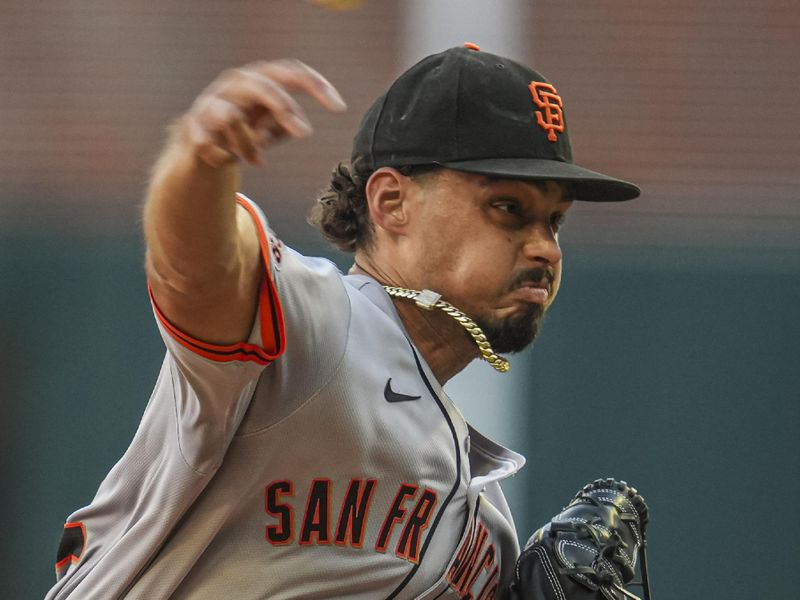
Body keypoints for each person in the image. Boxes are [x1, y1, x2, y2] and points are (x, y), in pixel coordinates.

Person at [46, 44, 640, 599]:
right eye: (509, 208)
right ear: (390, 202)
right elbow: (198, 269)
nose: (545, 249)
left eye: (555, 221)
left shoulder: (483, 534)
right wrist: (198, 163)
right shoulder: (319, 326)